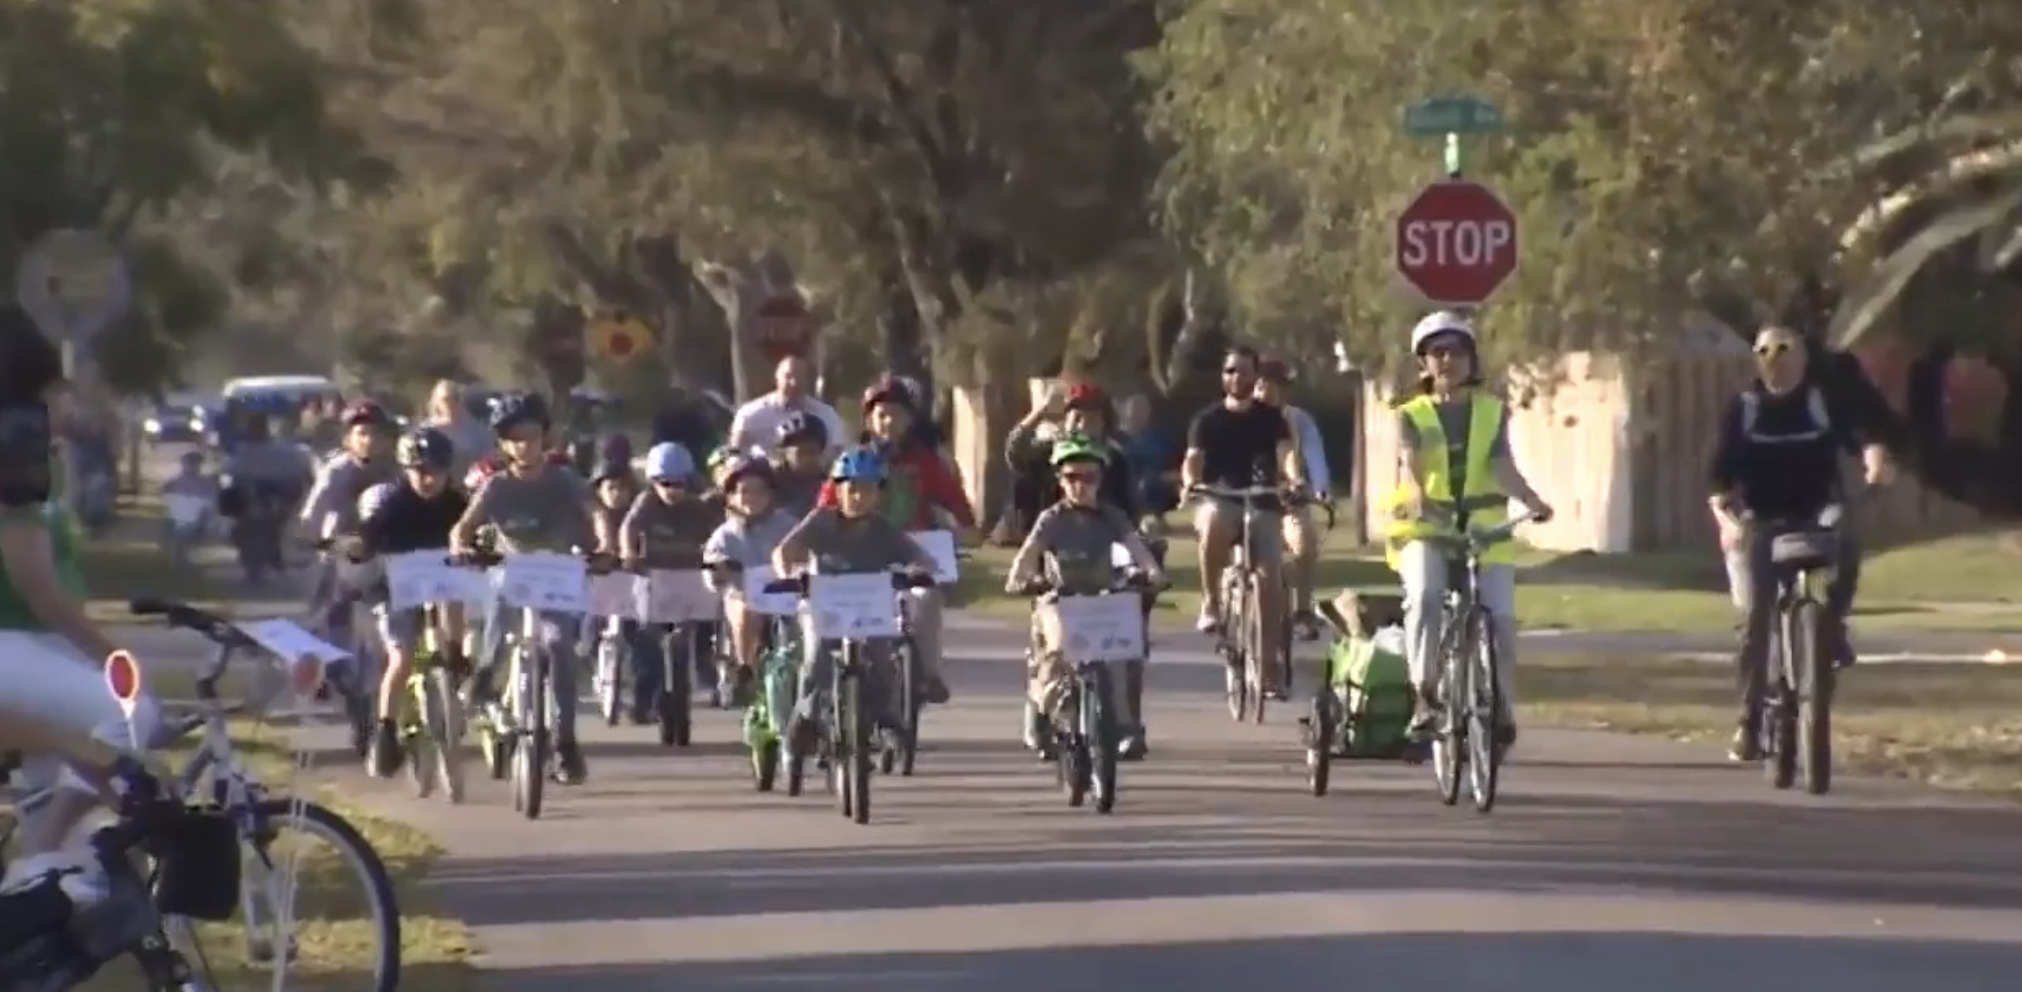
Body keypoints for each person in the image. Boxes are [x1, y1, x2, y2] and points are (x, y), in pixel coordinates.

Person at [0, 308, 168, 899]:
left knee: (71, 886)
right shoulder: (15, 451)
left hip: (32, 650)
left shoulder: (34, 454)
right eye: (56, 389)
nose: (67, 403)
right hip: (13, 648)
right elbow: (38, 589)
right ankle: (37, 856)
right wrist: (114, 658)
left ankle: (37, 871)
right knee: (134, 716)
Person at [1710, 324, 1894, 762]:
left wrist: (1875, 459)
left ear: (1802, 358)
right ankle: (1749, 722)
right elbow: (1717, 478)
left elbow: (1860, 436)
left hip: (1816, 513)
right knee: (1756, 621)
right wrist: (1726, 519)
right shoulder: (1744, 408)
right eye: (1766, 351)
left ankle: (1832, 624)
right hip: (1759, 521)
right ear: (1756, 359)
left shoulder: (1820, 401)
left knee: (1846, 537)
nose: (1776, 359)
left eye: (1785, 350)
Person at [1384, 311, 1553, 742]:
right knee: (1424, 597)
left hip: (1483, 529)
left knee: (1500, 620)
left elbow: (1501, 464)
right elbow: (1411, 458)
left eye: (1456, 351)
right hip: (1428, 529)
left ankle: (1500, 708)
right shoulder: (1411, 414)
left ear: (1471, 360)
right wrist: (1420, 494)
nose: (1447, 360)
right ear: (1423, 364)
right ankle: (1425, 695)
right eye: (1437, 352)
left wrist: (1531, 499)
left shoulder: (1492, 412)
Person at [449, 392, 596, 785]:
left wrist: (610, 547)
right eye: (514, 438)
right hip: (510, 573)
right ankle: (483, 680)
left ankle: (565, 743)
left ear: (545, 438)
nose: (524, 445)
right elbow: (462, 527)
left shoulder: (564, 481)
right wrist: (461, 547)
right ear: (502, 444)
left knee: (558, 645)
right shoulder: (495, 487)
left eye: (531, 436)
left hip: (555, 577)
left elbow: (597, 514)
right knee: (497, 619)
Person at [816, 376, 980, 703]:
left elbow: (953, 499)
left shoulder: (924, 461)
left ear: (909, 420)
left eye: (897, 414)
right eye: (881, 414)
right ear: (869, 420)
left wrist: (966, 527)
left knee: (926, 601)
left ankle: (929, 674)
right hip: (859, 553)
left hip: (911, 551)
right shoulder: (853, 460)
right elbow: (825, 506)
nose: (889, 422)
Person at [1004, 434, 1167, 759]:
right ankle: (1045, 709)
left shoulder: (1112, 517)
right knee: (1057, 648)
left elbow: (1136, 548)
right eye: (1071, 478)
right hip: (1058, 597)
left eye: (1088, 478)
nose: (1080, 485)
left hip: (1101, 598)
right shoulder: (1051, 519)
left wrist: (1153, 573)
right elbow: (1026, 556)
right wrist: (1020, 579)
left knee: (1125, 655)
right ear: (1060, 481)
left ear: (1100, 480)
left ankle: (1124, 726)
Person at [771, 446, 940, 751]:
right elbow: (784, 550)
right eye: (852, 489)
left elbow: (922, 559)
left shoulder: (883, 528)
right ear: (838, 489)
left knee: (882, 658)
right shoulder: (821, 520)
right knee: (816, 658)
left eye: (868, 490)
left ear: (879, 494)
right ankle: (805, 716)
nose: (859, 498)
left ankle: (884, 713)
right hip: (824, 604)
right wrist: (787, 573)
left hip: (868, 608)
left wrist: (918, 570)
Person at [349, 428, 471, 779]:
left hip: (437, 582)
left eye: (435, 470)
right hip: (392, 589)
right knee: (402, 656)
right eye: (419, 471)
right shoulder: (395, 503)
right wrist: (360, 546)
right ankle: (385, 733)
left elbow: (478, 529)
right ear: (405, 470)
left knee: (455, 593)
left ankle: (455, 653)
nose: (428, 478)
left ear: (448, 470)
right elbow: (369, 532)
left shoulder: (456, 503)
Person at [1182, 345, 1303, 696]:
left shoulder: (1271, 418)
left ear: (1255, 376)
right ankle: (1212, 604)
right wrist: (1191, 480)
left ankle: (1266, 669)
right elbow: (1193, 458)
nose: (1237, 378)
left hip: (1263, 501)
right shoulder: (1207, 420)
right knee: (1214, 522)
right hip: (1222, 497)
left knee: (1269, 580)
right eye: (1230, 371)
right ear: (1223, 377)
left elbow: (1287, 453)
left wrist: (1293, 479)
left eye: (1244, 371)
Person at [620, 442, 728, 706]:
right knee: (647, 640)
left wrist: (720, 560)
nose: (673, 490)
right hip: (655, 575)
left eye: (679, 483)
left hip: (691, 576)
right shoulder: (646, 502)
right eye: (665, 483)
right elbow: (629, 528)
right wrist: (628, 553)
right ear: (653, 482)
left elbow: (719, 534)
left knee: (706, 627)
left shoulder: (697, 506)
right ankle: (643, 698)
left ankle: (709, 672)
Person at [300, 401, 398, 648]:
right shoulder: (337, 470)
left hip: (382, 553)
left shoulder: (394, 470)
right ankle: (324, 660)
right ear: (348, 439)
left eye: (376, 434)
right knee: (329, 607)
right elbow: (313, 511)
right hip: (340, 550)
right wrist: (313, 540)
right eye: (361, 434)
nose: (369, 440)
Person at [1254, 356, 1333, 639]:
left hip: (1287, 496)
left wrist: (1320, 487)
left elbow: (1313, 453)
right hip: (1246, 498)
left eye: (1277, 386)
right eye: (1262, 384)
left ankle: (1302, 610)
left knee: (1305, 544)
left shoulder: (1298, 420)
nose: (1268, 392)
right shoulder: (1239, 416)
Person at [701, 457, 800, 685]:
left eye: (759, 491)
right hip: (744, 594)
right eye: (745, 491)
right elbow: (711, 571)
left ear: (771, 494)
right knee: (746, 610)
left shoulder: (788, 525)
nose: (752, 498)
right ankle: (746, 668)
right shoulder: (725, 535)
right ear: (731, 496)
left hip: (785, 594)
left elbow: (806, 547)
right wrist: (720, 570)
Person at [1006, 383, 1139, 521]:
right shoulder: (1049, 452)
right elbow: (1017, 453)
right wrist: (1039, 413)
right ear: (1065, 422)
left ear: (1105, 425)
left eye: (1092, 420)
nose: (1082, 426)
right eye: (1077, 418)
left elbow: (1129, 512)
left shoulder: (1116, 462)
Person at [728, 356, 848, 460]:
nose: (794, 382)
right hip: (766, 479)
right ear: (777, 378)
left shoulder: (826, 414)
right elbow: (736, 449)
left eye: (800, 376)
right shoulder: (751, 413)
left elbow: (837, 450)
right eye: (788, 376)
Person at [420, 379, 496, 478]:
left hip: (471, 484)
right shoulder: (426, 430)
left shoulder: (476, 429)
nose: (450, 403)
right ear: (436, 402)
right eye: (445, 399)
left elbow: (489, 458)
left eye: (455, 398)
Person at [769, 412, 829, 517]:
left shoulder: (830, 486)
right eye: (801, 452)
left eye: (812, 451)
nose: (807, 458)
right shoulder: (767, 485)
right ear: (785, 453)